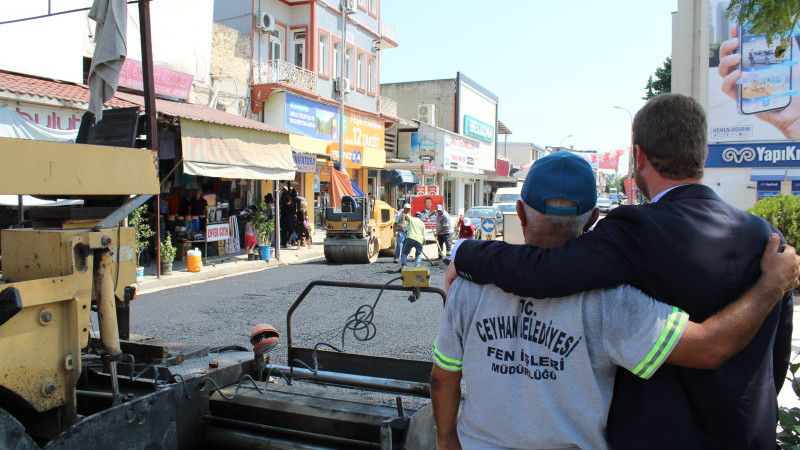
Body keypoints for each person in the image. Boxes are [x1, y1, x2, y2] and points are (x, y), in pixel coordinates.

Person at [446, 93, 795, 449]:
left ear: (638, 156)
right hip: (750, 433)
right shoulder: (767, 238)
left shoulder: (637, 229)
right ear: (703, 156)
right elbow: (777, 356)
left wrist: (463, 252)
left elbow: (544, 270)